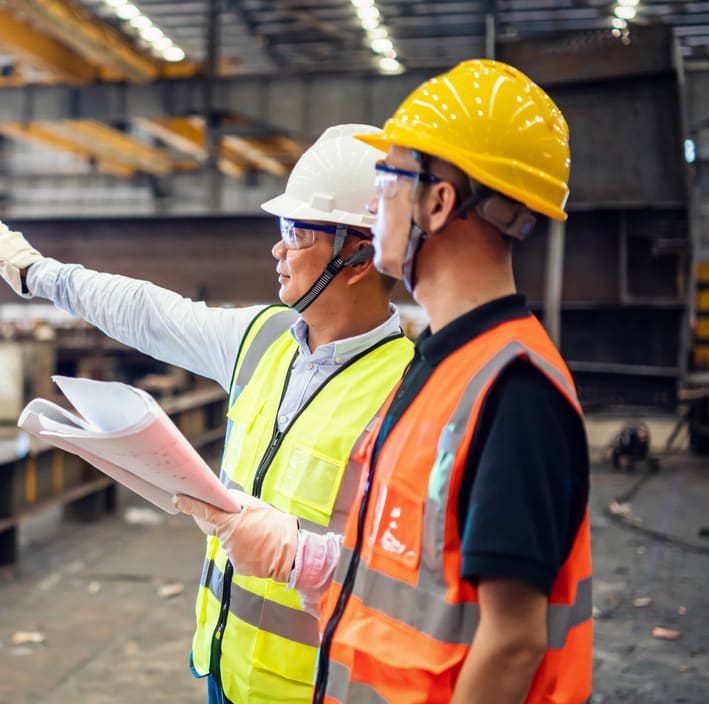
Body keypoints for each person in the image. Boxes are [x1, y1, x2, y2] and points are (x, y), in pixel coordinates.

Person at [176, 59, 593, 703]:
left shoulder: (515, 392)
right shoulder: (438, 364)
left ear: (439, 200)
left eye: (390, 178)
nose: (374, 204)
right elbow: (411, 578)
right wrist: (301, 556)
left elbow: (512, 642)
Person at [0, 124, 414, 703]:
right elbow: (150, 313)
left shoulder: (409, 391)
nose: (277, 249)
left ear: (357, 256)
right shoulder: (261, 338)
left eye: (296, 233)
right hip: (223, 672)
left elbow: (410, 577)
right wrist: (35, 271)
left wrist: (300, 553)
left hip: (316, 690)